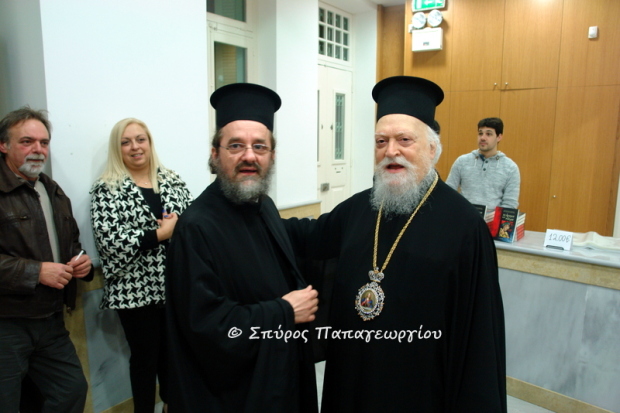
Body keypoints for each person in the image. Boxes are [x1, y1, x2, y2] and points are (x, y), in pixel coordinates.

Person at [285, 76, 507, 412]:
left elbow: (479, 340)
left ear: (432, 149)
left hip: (418, 391)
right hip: (351, 382)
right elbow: (308, 237)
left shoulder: (464, 227)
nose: (391, 151)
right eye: (381, 141)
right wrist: (248, 219)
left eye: (405, 140)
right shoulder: (358, 208)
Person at [165, 83, 319, 413]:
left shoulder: (264, 205)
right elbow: (207, 327)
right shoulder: (196, 227)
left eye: (259, 146)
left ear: (272, 156)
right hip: (235, 396)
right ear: (214, 154)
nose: (249, 156)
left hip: (279, 378)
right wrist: (284, 312)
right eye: (236, 145)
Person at [90, 118, 192, 413]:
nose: (135, 147)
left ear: (149, 143)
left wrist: (178, 228)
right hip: (134, 290)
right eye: (126, 142)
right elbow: (111, 242)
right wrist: (161, 234)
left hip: (174, 283)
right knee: (146, 359)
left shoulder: (172, 179)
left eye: (140, 139)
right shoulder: (106, 188)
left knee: (174, 355)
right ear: (117, 148)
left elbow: (193, 222)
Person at [0, 106, 93, 413]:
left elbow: (71, 244)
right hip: (7, 322)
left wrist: (82, 262)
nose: (38, 149)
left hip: (50, 321)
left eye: (44, 142)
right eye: (27, 141)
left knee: (71, 390)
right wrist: (35, 271)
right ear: (4, 145)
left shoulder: (52, 190)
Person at [446, 117, 520, 209]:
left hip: (492, 218)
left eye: (488, 134)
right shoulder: (462, 161)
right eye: (480, 133)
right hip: (464, 216)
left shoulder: (510, 168)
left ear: (499, 137)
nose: (483, 138)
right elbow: (448, 193)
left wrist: (495, 216)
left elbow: (510, 204)